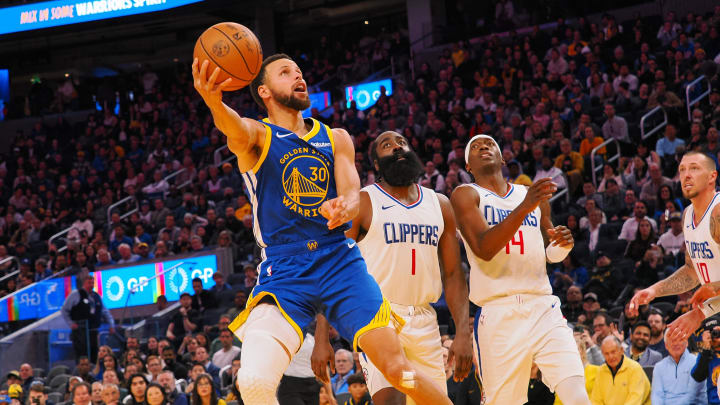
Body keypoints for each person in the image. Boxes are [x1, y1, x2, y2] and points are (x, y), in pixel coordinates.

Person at [193, 52, 451, 404]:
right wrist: (212, 100)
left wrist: (345, 205)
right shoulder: (257, 136)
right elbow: (234, 127)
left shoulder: (336, 137)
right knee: (253, 382)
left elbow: (352, 192)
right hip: (285, 272)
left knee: (398, 370)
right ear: (264, 91)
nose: (298, 77)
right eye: (286, 73)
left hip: (339, 263)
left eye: (299, 71)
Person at [312, 131, 473, 404]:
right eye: (387, 145)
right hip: (379, 319)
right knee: (391, 400)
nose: (397, 148)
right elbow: (335, 268)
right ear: (376, 164)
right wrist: (321, 336)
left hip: (425, 321)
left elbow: (453, 275)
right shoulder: (363, 202)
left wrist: (463, 333)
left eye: (402, 143)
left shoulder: (440, 204)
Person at [450, 134, 589, 405]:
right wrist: (525, 207)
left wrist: (563, 245)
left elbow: (550, 251)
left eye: (489, 144)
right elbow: (483, 248)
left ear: (502, 158)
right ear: (468, 166)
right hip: (498, 312)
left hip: (542, 306)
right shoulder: (466, 195)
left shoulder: (531, 196)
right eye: (475, 147)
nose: (483, 148)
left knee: (576, 395)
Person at [630, 152, 720, 341]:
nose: (686, 174)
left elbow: (712, 288)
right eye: (682, 169)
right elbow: (691, 271)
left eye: (694, 168)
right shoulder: (687, 215)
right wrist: (655, 290)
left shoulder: (718, 213)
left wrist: (700, 313)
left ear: (712, 176)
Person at [61, 275, 115, 362]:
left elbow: (105, 311)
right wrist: (70, 323)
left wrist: (111, 324)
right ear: (84, 284)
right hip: (80, 332)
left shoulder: (96, 296)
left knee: (94, 354)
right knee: (82, 355)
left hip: (93, 331)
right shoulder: (76, 294)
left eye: (92, 283)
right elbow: (64, 310)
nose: (91, 285)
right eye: (89, 283)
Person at [651, 330, 707, 404]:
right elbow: (657, 395)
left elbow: (691, 396)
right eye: (672, 340)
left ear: (687, 343)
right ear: (666, 345)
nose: (675, 344)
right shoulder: (659, 366)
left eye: (680, 340)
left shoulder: (696, 362)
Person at [591, 336, 651, 404]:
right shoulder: (601, 371)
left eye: (613, 352)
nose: (610, 356)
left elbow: (635, 400)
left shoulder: (635, 368)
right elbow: (596, 401)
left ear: (621, 350)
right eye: (606, 353)